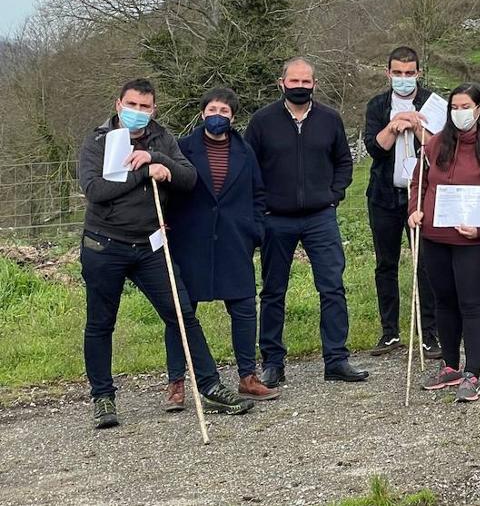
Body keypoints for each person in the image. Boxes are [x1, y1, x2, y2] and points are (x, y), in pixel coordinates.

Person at [78, 79, 253, 429]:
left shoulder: (163, 138)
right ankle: (103, 397)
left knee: (182, 315)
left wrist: (158, 160)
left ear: (153, 110)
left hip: (150, 245)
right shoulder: (97, 141)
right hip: (104, 244)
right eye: (132, 105)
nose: (138, 113)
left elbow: (188, 178)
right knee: (101, 322)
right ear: (118, 104)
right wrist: (146, 173)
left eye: (145, 107)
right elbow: (95, 190)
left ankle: (210, 386)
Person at [245, 57, 367, 385]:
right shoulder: (261, 121)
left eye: (306, 82)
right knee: (272, 291)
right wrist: (261, 208)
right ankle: (273, 362)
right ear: (281, 83)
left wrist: (334, 194)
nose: (300, 87)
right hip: (276, 219)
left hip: (320, 217)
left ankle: (337, 359)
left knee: (332, 288)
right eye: (294, 81)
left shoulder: (330, 119)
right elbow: (248, 169)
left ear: (314, 84)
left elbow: (344, 161)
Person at [164, 87, 279, 410]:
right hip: (191, 241)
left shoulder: (246, 152)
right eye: (212, 110)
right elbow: (171, 192)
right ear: (202, 113)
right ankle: (176, 383)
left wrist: (255, 231)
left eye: (224, 112)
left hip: (234, 240)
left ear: (233, 117)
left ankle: (248, 377)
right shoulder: (183, 148)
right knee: (181, 314)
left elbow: (259, 194)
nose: (218, 116)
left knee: (244, 308)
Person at [410, 84, 480, 402]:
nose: (459, 113)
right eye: (454, 107)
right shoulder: (434, 145)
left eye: (464, 106)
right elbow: (419, 182)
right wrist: (415, 211)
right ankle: (450, 366)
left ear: (479, 109)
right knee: (444, 302)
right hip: (436, 237)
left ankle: (472, 373)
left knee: (472, 304)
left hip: (475, 241)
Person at [362, 46, 438, 359]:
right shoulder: (378, 104)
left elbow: (439, 149)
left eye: (409, 73)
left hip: (420, 196)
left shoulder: (431, 102)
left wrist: (418, 126)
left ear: (418, 73)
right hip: (384, 196)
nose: (403, 79)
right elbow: (374, 148)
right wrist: (393, 126)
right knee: (386, 264)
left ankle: (430, 334)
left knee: (426, 264)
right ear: (388, 73)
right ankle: (390, 332)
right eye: (398, 73)